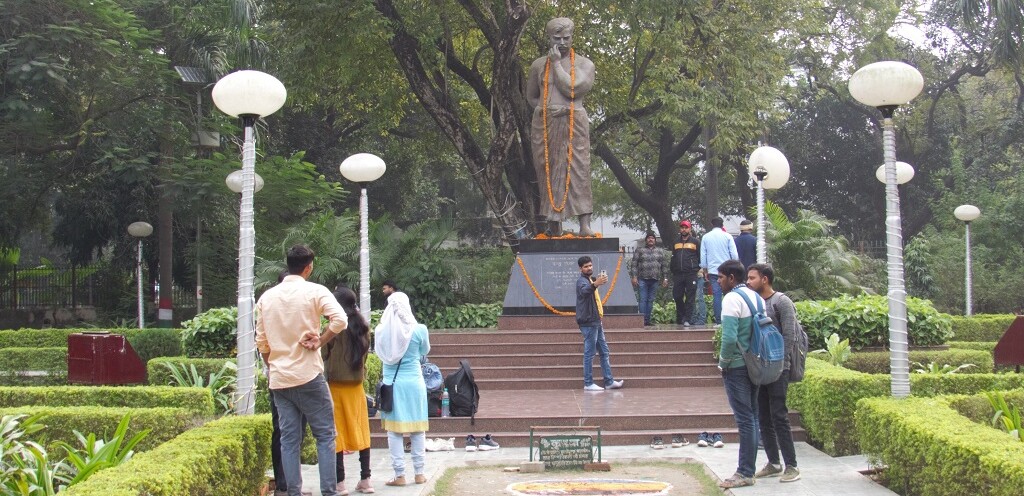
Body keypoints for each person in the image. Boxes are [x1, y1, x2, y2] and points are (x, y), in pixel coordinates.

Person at [256, 245, 346, 496]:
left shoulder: (266, 298)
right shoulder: (315, 291)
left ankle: (293, 492)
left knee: (289, 440)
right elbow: (340, 320)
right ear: (309, 267)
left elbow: (262, 342)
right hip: (308, 375)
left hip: (280, 380)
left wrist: (274, 365)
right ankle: (329, 492)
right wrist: (321, 339)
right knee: (325, 436)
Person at [526, 17, 597, 236]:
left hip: (574, 123)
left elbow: (572, 89)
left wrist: (556, 64)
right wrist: (545, 111)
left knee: (579, 170)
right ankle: (554, 224)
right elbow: (531, 96)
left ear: (572, 37)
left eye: (566, 38)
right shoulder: (538, 65)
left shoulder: (584, 64)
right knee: (547, 170)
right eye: (557, 38)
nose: (562, 42)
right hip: (546, 124)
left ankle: (584, 224)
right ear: (549, 38)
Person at [746, 264, 800, 483]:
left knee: (779, 415)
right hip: (760, 369)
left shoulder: (781, 302)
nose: (748, 282)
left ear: (765, 279)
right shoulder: (754, 302)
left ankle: (792, 466)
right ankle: (773, 463)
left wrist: (779, 363)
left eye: (752, 278)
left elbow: (789, 335)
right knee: (764, 417)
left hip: (779, 368)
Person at [374, 288, 430, 487]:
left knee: (394, 432)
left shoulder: (381, 331)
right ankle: (420, 473)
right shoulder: (419, 329)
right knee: (418, 430)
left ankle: (399, 475)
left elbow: (379, 353)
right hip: (415, 384)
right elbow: (425, 351)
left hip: (392, 386)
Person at [323, 286, 375, 495]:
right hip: (356, 387)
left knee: (337, 434)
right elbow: (365, 357)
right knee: (361, 429)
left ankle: (340, 483)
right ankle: (366, 480)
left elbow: (323, 353)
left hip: (335, 386)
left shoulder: (333, 327)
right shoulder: (364, 327)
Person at [717, 259, 763, 489]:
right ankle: (749, 469)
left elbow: (728, 338)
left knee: (745, 419)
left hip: (736, 365)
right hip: (755, 363)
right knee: (752, 417)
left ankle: (745, 472)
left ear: (731, 278)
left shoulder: (731, 299)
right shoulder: (756, 297)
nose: (718, 281)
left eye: (720, 277)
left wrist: (723, 363)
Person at [269, 269, 309, 496]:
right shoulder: (271, 305)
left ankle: (290, 482)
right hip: (287, 376)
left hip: (288, 375)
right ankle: (284, 482)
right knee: (285, 430)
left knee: (293, 431)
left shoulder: (295, 308)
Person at [576, 256, 624, 391]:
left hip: (596, 321)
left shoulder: (590, 280)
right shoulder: (581, 281)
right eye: (586, 266)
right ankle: (588, 383)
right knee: (590, 353)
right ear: (580, 269)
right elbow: (585, 291)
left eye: (590, 265)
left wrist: (595, 283)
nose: (589, 268)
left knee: (604, 351)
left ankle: (609, 381)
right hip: (589, 322)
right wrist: (595, 284)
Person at [700, 217, 738, 324]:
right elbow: (734, 254)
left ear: (712, 225)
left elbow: (703, 256)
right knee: (729, 295)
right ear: (722, 225)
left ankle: (718, 321)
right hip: (727, 270)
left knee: (716, 295)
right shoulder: (728, 236)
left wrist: (705, 269)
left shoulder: (706, 237)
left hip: (713, 271)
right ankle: (730, 319)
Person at [630, 231, 668, 326]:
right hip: (642, 279)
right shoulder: (640, 250)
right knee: (643, 300)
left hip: (655, 279)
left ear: (655, 240)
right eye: (649, 238)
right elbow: (634, 264)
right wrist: (634, 276)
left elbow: (664, 265)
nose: (650, 239)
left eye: (652, 238)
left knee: (650, 300)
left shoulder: (660, 251)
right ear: (646, 240)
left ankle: (647, 320)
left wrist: (665, 278)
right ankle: (641, 321)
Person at [670, 220, 701, 326]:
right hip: (678, 274)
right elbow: (673, 257)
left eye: (686, 227)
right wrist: (673, 269)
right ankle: (681, 316)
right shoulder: (675, 242)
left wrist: (696, 268)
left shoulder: (695, 242)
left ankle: (687, 319)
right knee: (677, 296)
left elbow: (699, 256)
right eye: (682, 227)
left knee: (690, 297)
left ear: (690, 229)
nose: (684, 229)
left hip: (691, 273)